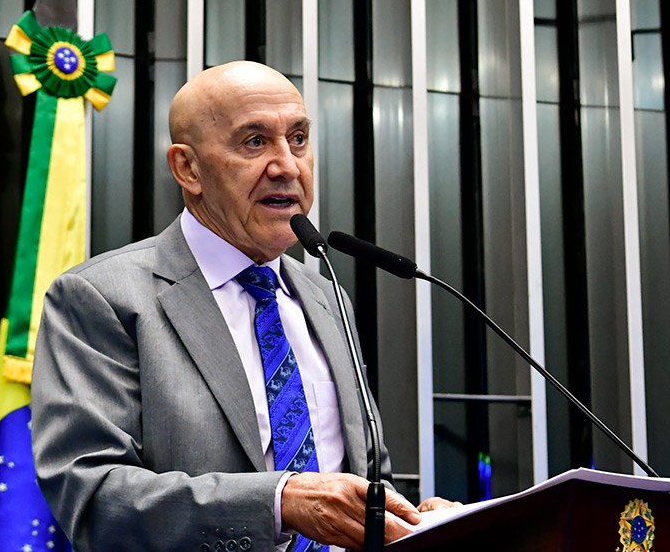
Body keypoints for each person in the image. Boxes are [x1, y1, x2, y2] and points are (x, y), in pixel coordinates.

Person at [31, 60, 453, 552]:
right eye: (255, 142)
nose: (287, 166)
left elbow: (363, 478)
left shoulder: (326, 296)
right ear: (188, 168)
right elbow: (93, 497)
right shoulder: (102, 297)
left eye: (298, 138)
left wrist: (413, 520)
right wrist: (278, 502)